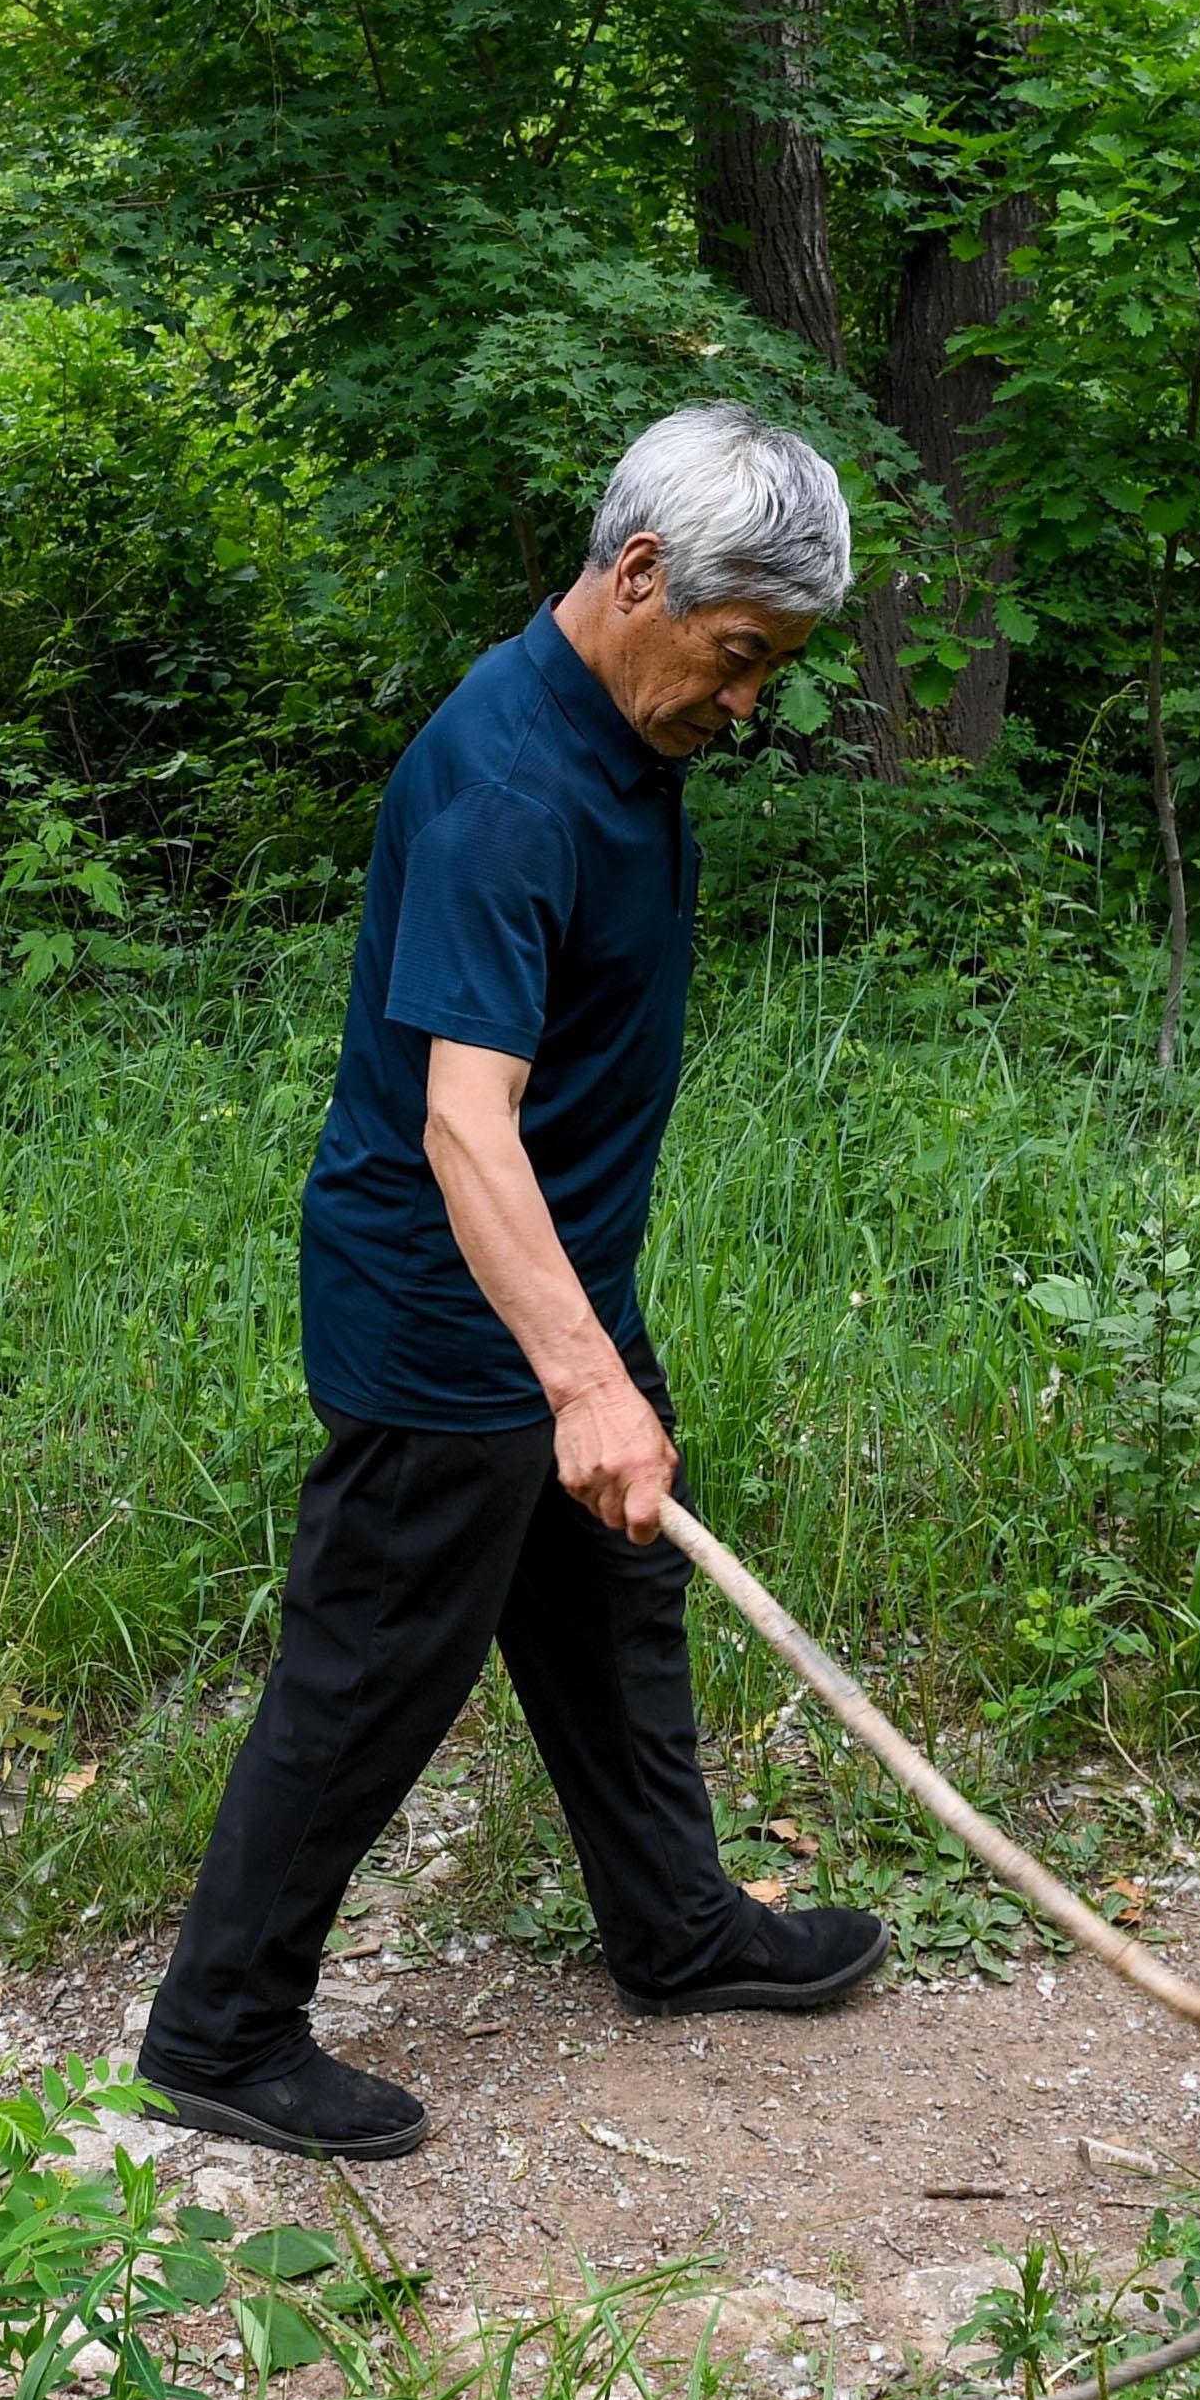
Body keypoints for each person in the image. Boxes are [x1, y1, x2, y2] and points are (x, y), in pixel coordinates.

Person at [138, 403, 886, 2159]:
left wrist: (597, 1355)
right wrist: (581, 1380)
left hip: (555, 1287)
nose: (748, 698)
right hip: (444, 1316)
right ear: (637, 575)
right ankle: (221, 2027)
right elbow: (462, 1123)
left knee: (605, 1605)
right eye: (735, 654)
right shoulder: (506, 784)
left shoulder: (620, 744)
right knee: (379, 1659)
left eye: (772, 664)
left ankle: (677, 1927)